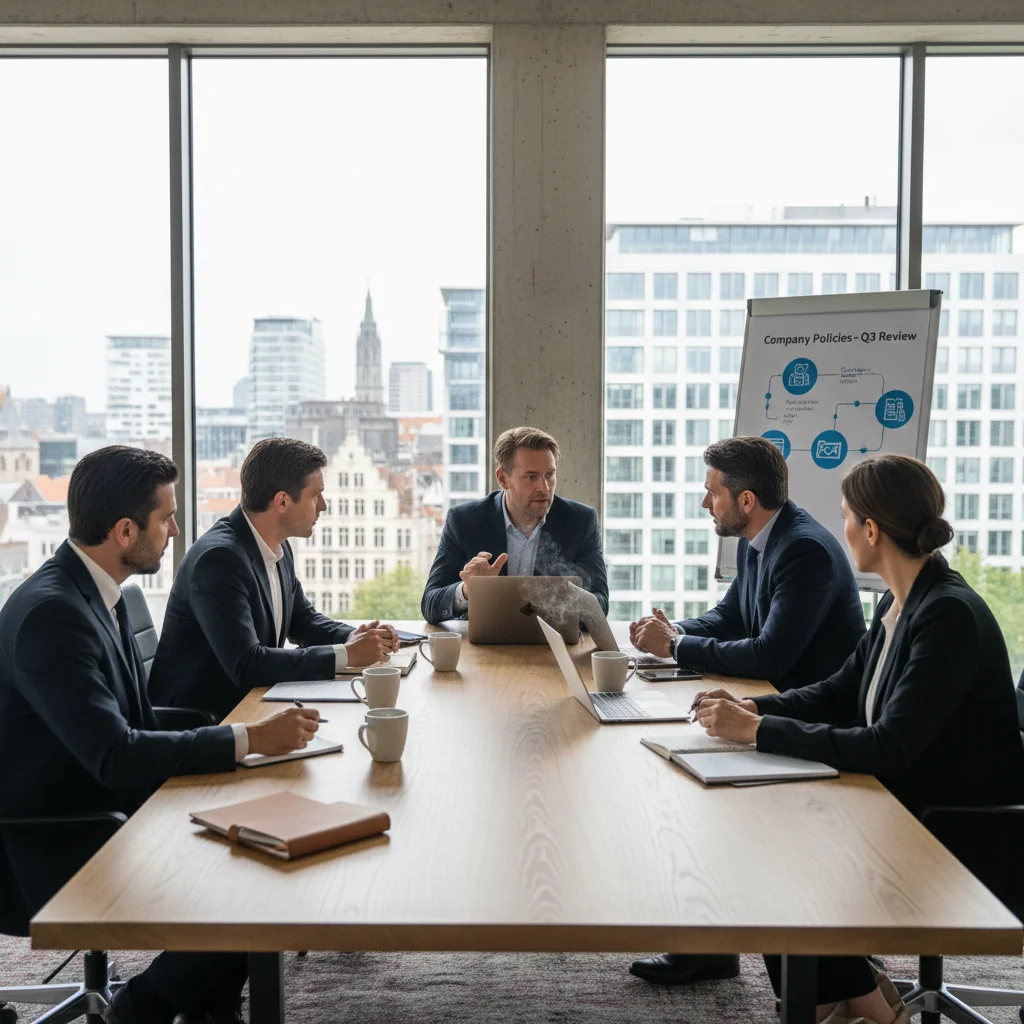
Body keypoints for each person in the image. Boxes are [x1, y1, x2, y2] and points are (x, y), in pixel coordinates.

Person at [691, 454, 1024, 1024]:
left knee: (785, 848)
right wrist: (753, 708)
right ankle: (852, 1001)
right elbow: (840, 691)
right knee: (771, 825)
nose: (839, 528)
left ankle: (844, 1004)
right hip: (902, 796)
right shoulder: (901, 601)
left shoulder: (947, 615)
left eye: (846, 516)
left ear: (871, 529)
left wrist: (761, 730)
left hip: (957, 827)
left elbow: (887, 744)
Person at [0, 446, 319, 1024]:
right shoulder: (54, 614)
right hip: (57, 837)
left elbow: (140, 719)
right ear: (125, 530)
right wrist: (245, 743)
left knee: (269, 831)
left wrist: (240, 740)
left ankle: (200, 1008)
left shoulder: (97, 588)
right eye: (166, 518)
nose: (177, 530)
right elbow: (116, 754)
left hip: (105, 799)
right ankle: (140, 1008)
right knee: (256, 873)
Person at [630, 436, 866, 987]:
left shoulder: (802, 549)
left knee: (691, 782)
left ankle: (720, 949)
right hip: (769, 705)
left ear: (746, 500)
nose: (703, 502)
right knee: (680, 768)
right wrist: (677, 633)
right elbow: (732, 615)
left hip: (810, 720)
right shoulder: (763, 539)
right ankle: (712, 946)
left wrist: (679, 650)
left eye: (712, 492)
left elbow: (771, 652)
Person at [149, 437, 399, 722]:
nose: (324, 506)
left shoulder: (277, 546)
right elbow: (248, 664)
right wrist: (348, 655)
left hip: (252, 707)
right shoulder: (219, 559)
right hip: (202, 723)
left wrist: (355, 638)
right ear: (282, 501)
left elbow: (303, 621)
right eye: (316, 495)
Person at [420, 426, 608, 624]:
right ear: (503, 479)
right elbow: (430, 604)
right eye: (531, 477)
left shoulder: (580, 521)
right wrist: (470, 589)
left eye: (549, 475)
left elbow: (601, 603)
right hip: (484, 649)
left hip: (554, 648)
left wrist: (561, 602)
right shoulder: (464, 521)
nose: (544, 488)